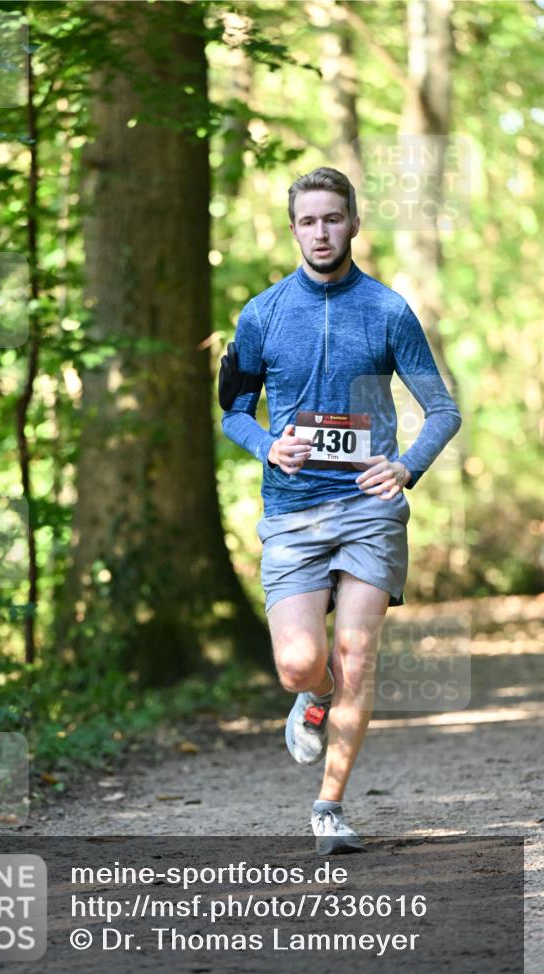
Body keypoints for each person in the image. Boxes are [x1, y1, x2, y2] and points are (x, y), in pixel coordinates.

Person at [221, 166, 462, 854]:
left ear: (353, 223)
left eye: (332, 218)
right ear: (292, 229)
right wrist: (269, 447)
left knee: (355, 655)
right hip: (292, 512)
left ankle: (328, 806)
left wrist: (405, 465)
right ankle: (312, 696)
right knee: (301, 664)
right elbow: (232, 413)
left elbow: (441, 410)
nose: (320, 232)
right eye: (307, 221)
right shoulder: (261, 314)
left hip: (368, 508)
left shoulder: (387, 310)